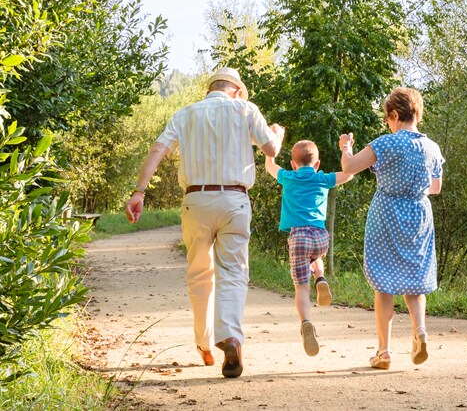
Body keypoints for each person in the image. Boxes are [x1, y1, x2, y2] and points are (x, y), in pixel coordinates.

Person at [125, 67, 283, 378]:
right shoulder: (246, 109)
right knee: (233, 273)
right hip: (235, 200)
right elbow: (271, 150)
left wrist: (139, 191)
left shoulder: (185, 114)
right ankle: (231, 336)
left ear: (209, 89)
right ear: (236, 91)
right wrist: (276, 135)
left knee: (199, 275)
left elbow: (158, 149)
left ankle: (204, 344)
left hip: (195, 200)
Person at [338, 86, 444, 370]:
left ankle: (384, 351)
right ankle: (419, 331)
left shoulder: (385, 144)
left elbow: (348, 167)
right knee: (415, 277)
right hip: (419, 214)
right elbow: (435, 187)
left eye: (387, 118)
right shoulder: (432, 148)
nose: (387, 123)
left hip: (387, 214)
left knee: (383, 282)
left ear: (395, 115)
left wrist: (346, 146)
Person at [265, 138, 353, 356]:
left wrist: (272, 146)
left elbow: (269, 165)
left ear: (293, 164)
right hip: (321, 236)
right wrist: (346, 146)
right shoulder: (323, 178)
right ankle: (321, 279)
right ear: (317, 164)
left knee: (301, 288)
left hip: (299, 237)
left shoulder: (288, 177)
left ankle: (306, 322)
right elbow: (349, 173)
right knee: (315, 257)